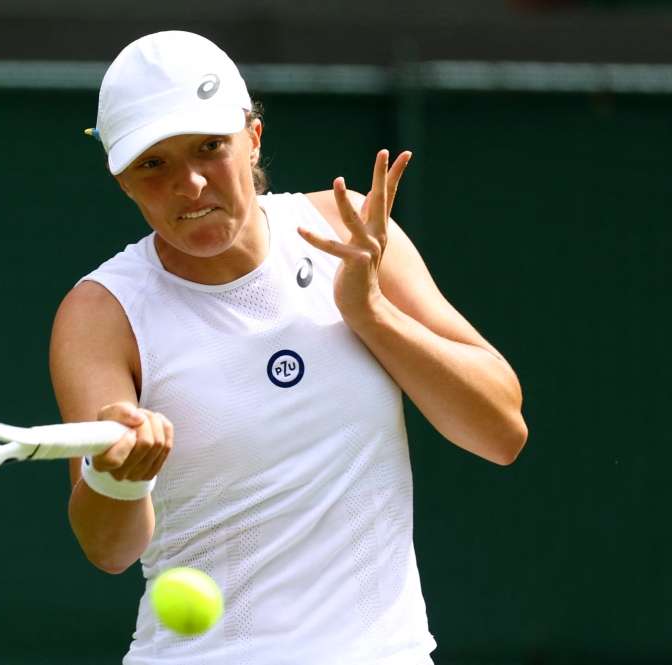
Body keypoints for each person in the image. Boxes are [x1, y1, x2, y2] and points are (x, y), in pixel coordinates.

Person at [49, 31, 527, 664]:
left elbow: (500, 433)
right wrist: (117, 478)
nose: (190, 184)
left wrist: (372, 312)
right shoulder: (100, 314)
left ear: (252, 139)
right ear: (124, 182)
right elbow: (109, 550)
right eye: (153, 164)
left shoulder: (348, 230)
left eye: (209, 147)